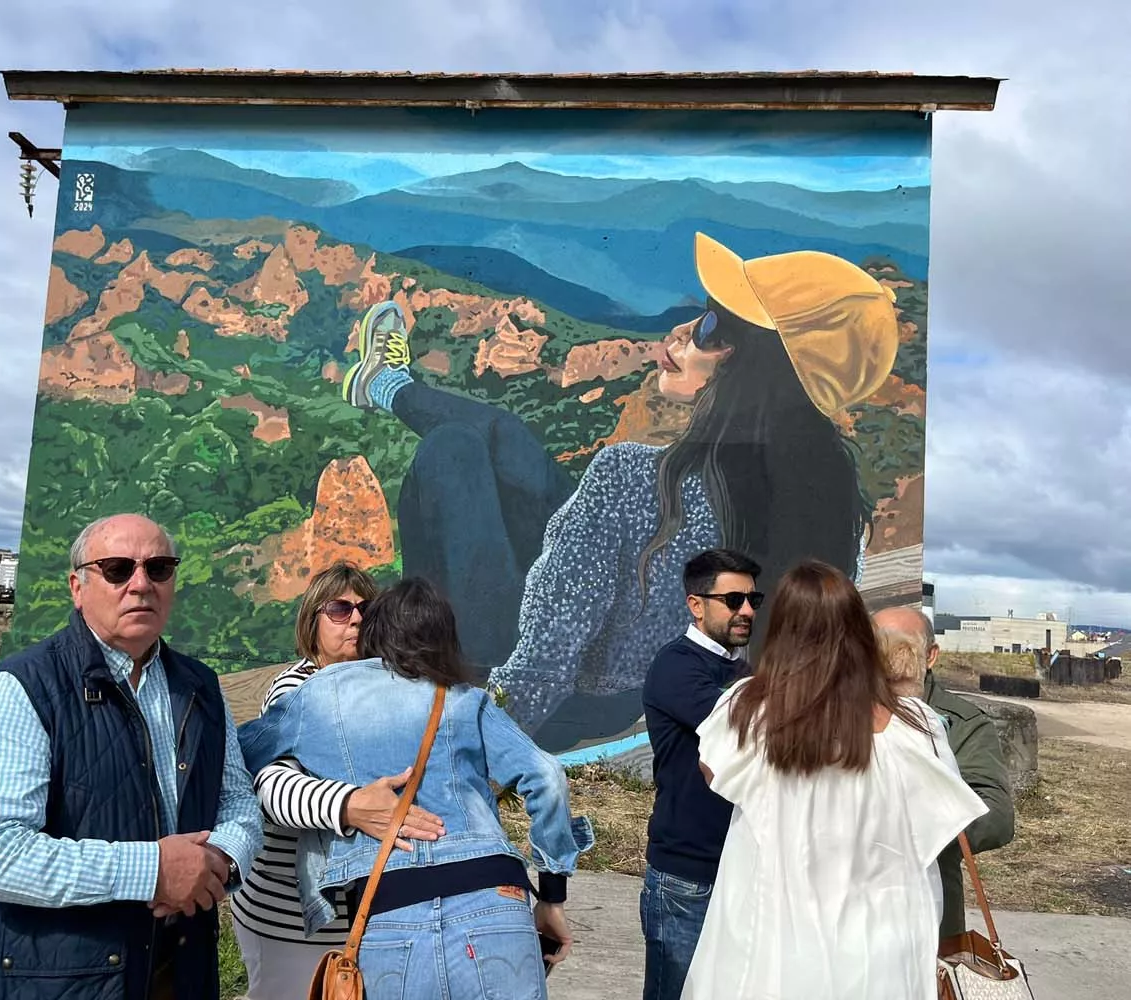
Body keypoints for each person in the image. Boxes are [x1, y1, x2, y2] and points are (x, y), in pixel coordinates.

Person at [340, 232, 899, 750]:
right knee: (504, 436)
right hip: (624, 680)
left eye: (712, 329)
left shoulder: (637, 479)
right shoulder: (826, 497)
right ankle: (388, 386)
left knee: (453, 451)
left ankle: (408, 657)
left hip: (547, 687)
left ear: (758, 371)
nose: (683, 332)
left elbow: (549, 652)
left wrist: (478, 738)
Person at [0, 513, 262, 1000]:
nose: (141, 584)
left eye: (159, 568)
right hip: (59, 979)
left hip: (180, 968)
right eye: (117, 568)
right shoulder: (17, 691)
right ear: (78, 586)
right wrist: (153, 871)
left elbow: (237, 799)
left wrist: (219, 860)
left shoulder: (201, 686)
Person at [238, 578, 594, 1000]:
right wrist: (552, 895)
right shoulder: (465, 698)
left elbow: (243, 753)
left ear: (375, 631)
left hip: (389, 906)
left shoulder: (318, 697)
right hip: (495, 896)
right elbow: (547, 775)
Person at [682, 561, 987, 1000]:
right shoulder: (915, 724)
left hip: (777, 937)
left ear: (783, 628)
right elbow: (941, 821)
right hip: (882, 944)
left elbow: (713, 772)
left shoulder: (746, 711)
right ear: (859, 631)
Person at [230, 561, 446, 999]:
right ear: (312, 624)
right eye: (339, 609)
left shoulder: (391, 688)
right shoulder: (297, 690)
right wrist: (352, 806)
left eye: (367, 608)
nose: (357, 619)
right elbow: (272, 787)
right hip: (289, 917)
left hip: (364, 913)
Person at [639, 548, 761, 1000]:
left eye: (752, 600)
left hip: (733, 870)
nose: (746, 610)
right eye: (733, 600)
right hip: (687, 879)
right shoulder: (677, 667)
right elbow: (746, 729)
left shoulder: (740, 669)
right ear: (696, 604)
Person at [874, 606, 1016, 941]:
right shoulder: (843, 710)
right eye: (880, 644)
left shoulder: (962, 723)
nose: (890, 657)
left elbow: (996, 818)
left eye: (902, 645)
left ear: (930, 655)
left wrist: (915, 821)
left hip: (929, 916)